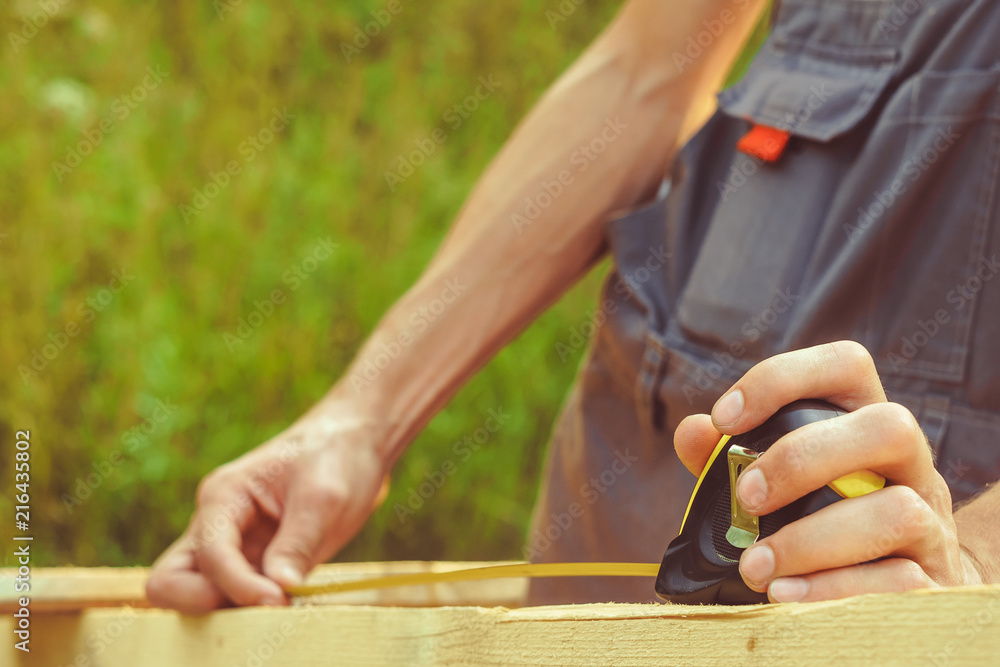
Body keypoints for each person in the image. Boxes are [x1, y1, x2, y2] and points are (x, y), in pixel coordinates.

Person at [147, 0, 1000, 612]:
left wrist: (966, 567)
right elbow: (646, 68)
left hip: (898, 593)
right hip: (622, 508)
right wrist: (362, 419)